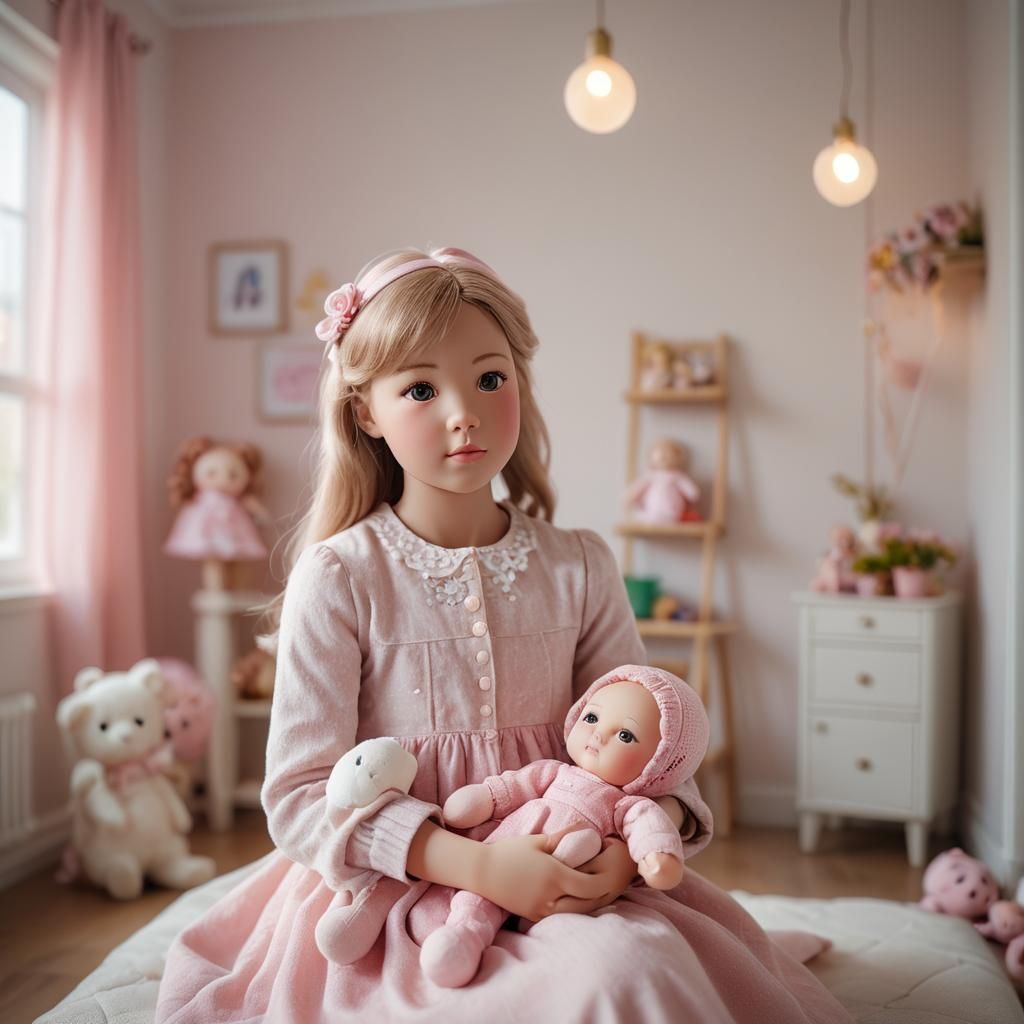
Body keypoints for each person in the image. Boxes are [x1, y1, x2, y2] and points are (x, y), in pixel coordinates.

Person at [156, 246, 852, 1023]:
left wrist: (617, 859)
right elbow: (298, 795)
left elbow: (653, 746)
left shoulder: (579, 564)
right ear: (365, 413)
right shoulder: (342, 574)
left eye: (491, 378)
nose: (465, 411)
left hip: (573, 862)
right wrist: (479, 865)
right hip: (403, 888)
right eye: (420, 388)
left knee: (635, 970)